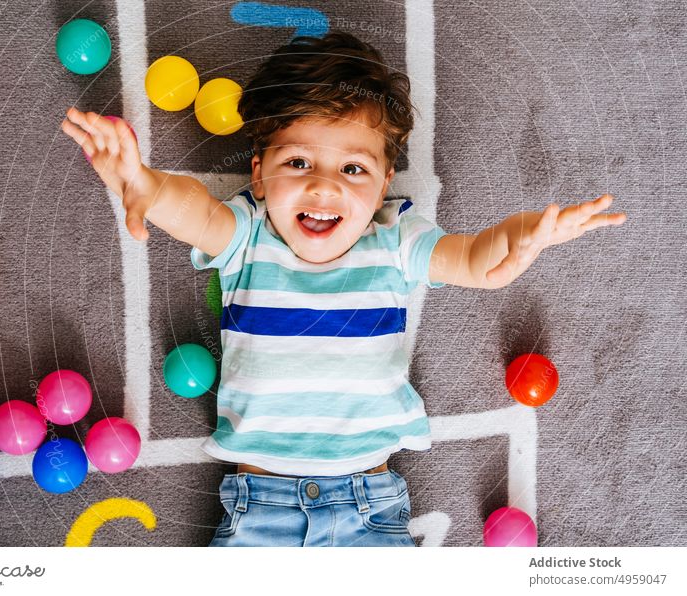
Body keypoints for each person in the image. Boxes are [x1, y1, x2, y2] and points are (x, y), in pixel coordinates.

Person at [61, 31, 627, 547]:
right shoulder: (247, 235)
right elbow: (192, 210)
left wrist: (530, 234)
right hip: (261, 509)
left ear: (384, 183)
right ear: (258, 175)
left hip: (369, 510)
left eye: (353, 170)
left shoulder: (395, 241)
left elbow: (477, 257)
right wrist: (145, 185)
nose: (324, 186)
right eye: (299, 161)